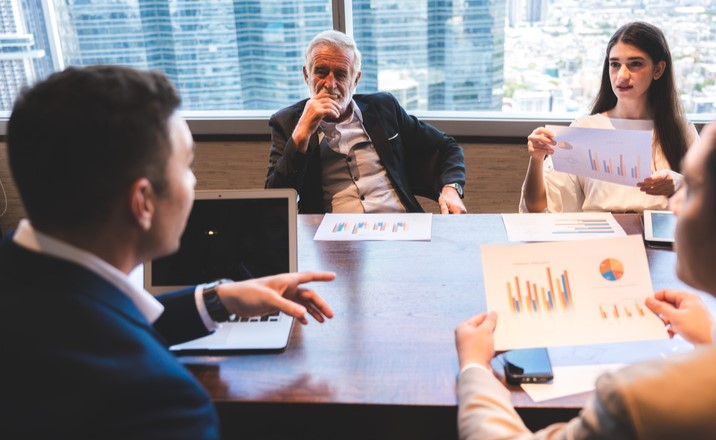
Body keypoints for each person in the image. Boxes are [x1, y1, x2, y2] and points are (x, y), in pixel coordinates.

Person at [455, 62, 716, 439]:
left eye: (694, 188)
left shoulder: (643, 400)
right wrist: (715, 339)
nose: (675, 204)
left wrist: (474, 367)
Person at [0, 65, 335, 438]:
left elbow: (90, 324)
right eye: (187, 166)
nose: (193, 183)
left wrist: (218, 299)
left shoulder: (20, 270)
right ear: (142, 202)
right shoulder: (161, 404)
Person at [266, 30, 467, 215]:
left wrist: (451, 188)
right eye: (321, 72)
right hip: (333, 238)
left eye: (341, 74)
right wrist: (301, 135)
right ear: (306, 75)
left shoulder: (384, 108)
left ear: (355, 80)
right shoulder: (287, 122)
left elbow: (446, 146)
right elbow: (274, 201)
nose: (330, 84)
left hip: (402, 225)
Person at [520, 22, 699, 213]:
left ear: (658, 70)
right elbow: (538, 207)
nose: (622, 75)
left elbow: (715, 202)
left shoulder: (680, 130)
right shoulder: (585, 129)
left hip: (659, 242)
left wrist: (681, 184)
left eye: (635, 64)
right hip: (600, 240)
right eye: (615, 64)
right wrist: (537, 160)